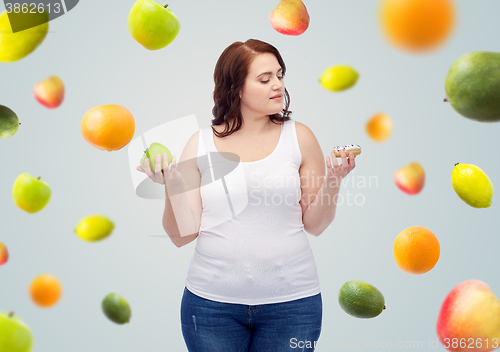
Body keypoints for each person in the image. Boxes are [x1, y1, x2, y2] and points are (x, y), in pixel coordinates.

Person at [137, 39, 357, 352]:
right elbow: (181, 235)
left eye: (280, 75)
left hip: (293, 306)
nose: (278, 85)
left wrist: (334, 179)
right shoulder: (199, 144)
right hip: (210, 307)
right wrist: (171, 183)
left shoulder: (300, 137)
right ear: (236, 88)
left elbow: (315, 225)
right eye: (265, 79)